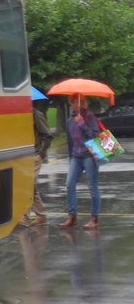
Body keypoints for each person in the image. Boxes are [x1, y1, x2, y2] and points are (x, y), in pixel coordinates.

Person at [60, 94, 101, 230]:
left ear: (85, 103)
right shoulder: (69, 121)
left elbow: (95, 135)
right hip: (76, 157)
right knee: (69, 184)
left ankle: (94, 219)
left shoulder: (89, 116)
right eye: (75, 102)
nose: (78, 104)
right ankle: (72, 216)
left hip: (89, 155)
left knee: (92, 186)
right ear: (71, 103)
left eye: (81, 101)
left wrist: (82, 124)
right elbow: (70, 141)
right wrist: (71, 157)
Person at [22, 102, 53, 225]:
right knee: (29, 185)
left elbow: (47, 135)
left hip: (34, 154)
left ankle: (25, 217)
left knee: (28, 185)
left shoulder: (35, 114)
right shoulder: (20, 115)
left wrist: (41, 153)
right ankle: (41, 215)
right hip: (23, 156)